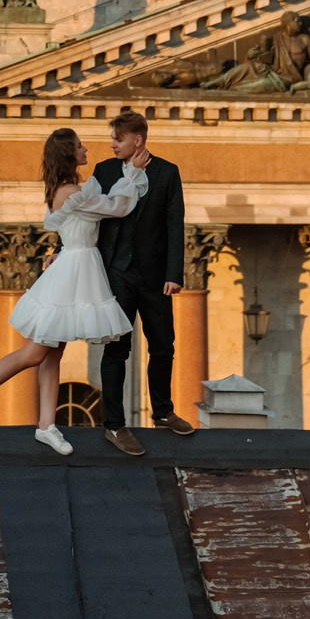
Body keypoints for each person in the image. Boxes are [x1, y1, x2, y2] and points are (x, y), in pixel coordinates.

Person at [0, 128, 149, 455]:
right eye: (79, 147)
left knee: (53, 351)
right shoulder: (71, 191)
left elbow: (74, 229)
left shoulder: (69, 190)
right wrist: (134, 172)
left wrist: (62, 251)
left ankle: (46, 425)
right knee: (34, 352)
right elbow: (117, 208)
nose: (85, 150)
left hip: (76, 265)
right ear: (67, 154)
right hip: (73, 271)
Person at [93, 110, 193, 456]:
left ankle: (163, 412)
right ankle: (114, 425)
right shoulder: (104, 171)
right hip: (116, 274)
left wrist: (173, 274)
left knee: (163, 345)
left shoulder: (167, 172)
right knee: (117, 348)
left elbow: (174, 224)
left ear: (137, 140)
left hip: (154, 276)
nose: (112, 145)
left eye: (117, 139)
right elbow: (88, 216)